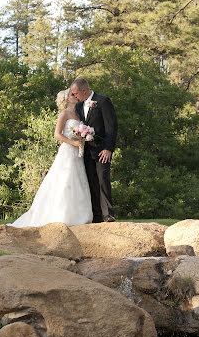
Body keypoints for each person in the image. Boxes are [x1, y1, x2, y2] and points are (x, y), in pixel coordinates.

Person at [10, 89, 93, 227]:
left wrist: (84, 137)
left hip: (78, 152)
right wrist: (74, 143)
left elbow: (78, 132)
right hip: (67, 151)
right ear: (66, 99)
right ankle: (62, 215)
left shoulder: (78, 114)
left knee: (78, 180)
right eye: (72, 95)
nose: (75, 96)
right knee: (65, 180)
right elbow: (57, 134)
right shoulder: (64, 114)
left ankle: (79, 216)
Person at [70, 77, 118, 223]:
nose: (74, 96)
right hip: (86, 151)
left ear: (84, 90)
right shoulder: (78, 107)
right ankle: (96, 216)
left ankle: (108, 214)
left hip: (102, 150)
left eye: (76, 93)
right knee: (91, 182)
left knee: (103, 180)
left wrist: (108, 149)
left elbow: (112, 127)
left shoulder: (103, 101)